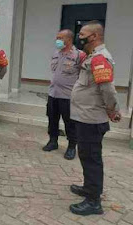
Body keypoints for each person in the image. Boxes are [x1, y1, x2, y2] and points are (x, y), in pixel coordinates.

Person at [69, 21, 121, 216]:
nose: (78, 36)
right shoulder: (92, 57)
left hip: (92, 119)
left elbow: (108, 89)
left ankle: (93, 202)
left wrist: (112, 110)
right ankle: (88, 188)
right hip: (85, 117)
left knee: (92, 159)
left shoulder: (100, 59)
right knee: (85, 155)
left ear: (94, 37)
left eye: (82, 33)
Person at [43, 29, 86, 160]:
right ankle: (53, 141)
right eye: (57, 37)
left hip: (68, 96)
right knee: (52, 119)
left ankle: (72, 146)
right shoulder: (56, 53)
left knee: (70, 123)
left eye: (60, 38)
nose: (57, 40)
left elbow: (84, 76)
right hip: (53, 93)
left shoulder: (79, 55)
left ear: (69, 39)